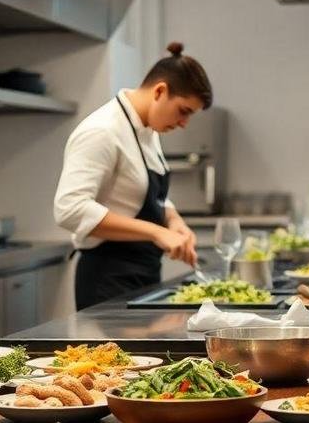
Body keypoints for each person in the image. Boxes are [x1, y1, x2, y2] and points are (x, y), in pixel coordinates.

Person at [54, 42, 211, 310]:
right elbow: (69, 209)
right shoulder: (102, 131)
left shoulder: (147, 130)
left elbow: (143, 193)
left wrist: (173, 221)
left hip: (143, 272)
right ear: (160, 91)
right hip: (106, 278)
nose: (184, 123)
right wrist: (155, 232)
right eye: (184, 111)